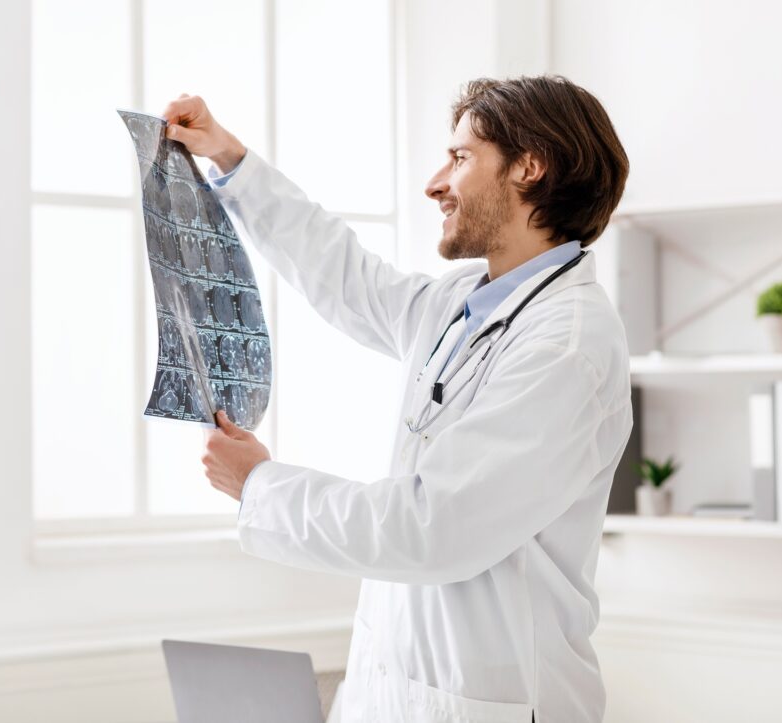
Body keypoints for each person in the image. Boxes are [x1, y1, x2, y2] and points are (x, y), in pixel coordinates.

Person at [165, 75, 631, 723]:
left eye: (461, 157)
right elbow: (343, 274)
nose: (435, 182)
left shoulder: (567, 345)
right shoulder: (457, 303)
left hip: (495, 703)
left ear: (531, 167)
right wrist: (231, 161)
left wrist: (261, 485)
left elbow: (432, 525)